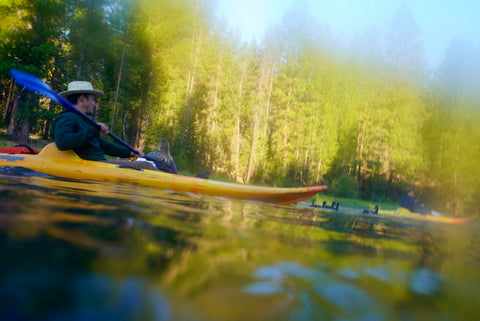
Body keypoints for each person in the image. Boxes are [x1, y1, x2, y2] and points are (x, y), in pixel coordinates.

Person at [51, 81, 154, 169]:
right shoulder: (67, 117)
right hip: (93, 166)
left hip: (98, 165)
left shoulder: (85, 121)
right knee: (146, 166)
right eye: (93, 99)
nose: (95, 104)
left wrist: (130, 152)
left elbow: (104, 146)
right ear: (82, 99)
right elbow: (62, 142)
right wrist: (94, 131)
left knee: (147, 164)